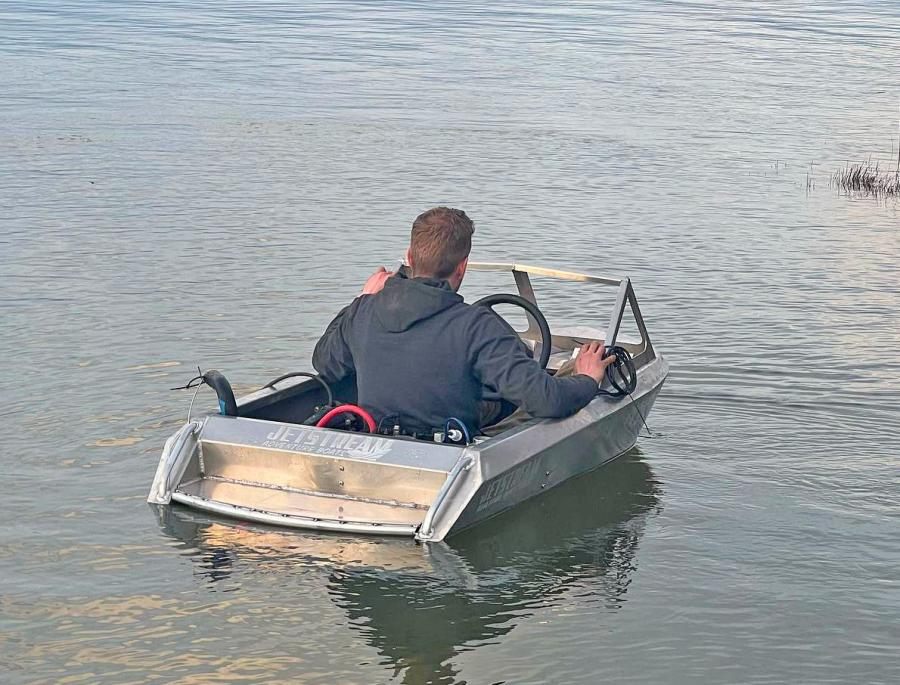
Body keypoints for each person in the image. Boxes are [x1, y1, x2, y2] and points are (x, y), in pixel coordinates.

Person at [312, 207, 615, 438]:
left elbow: (325, 362)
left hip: (377, 441)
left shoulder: (364, 311)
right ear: (462, 267)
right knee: (516, 400)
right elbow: (547, 401)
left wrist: (361, 297)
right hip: (450, 450)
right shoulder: (477, 327)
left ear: (409, 256)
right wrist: (588, 378)